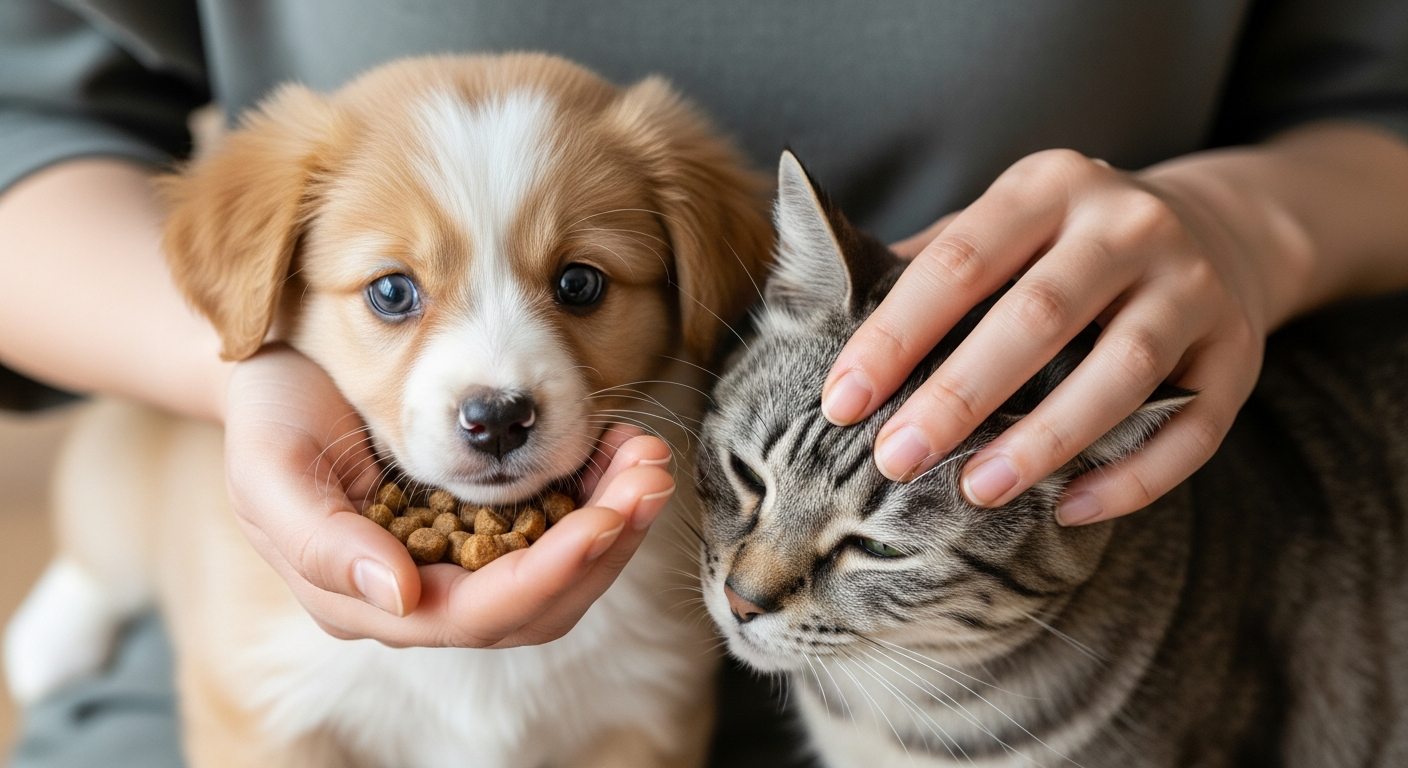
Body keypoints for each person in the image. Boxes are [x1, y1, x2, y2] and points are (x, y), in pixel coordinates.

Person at [2, 1, 1407, 765]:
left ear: (698, 283)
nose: (494, 381)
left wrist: (1253, 223)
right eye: (393, 295)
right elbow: (27, 120)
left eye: (578, 287)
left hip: (1013, 638)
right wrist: (230, 372)